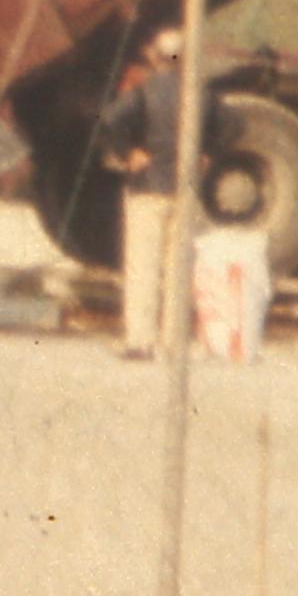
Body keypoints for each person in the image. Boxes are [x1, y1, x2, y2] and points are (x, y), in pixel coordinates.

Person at [94, 23, 193, 360]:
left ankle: (141, 341)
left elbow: (110, 119)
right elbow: (231, 124)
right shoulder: (196, 94)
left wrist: (128, 152)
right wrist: (208, 153)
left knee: (144, 267)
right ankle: (173, 343)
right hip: (184, 189)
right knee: (178, 269)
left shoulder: (143, 92)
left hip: (147, 188)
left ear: (154, 56)